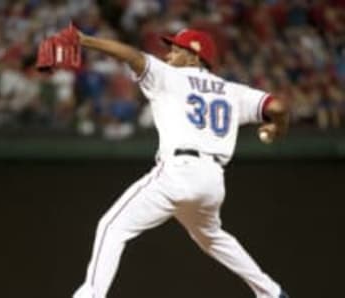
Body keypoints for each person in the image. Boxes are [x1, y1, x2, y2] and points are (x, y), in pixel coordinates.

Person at [72, 28, 290, 298]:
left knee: (112, 226)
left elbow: (131, 55)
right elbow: (278, 107)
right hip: (212, 181)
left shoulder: (169, 76)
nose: (169, 54)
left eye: (176, 49)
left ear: (194, 56)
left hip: (178, 171)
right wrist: (277, 129)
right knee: (211, 236)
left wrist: (85, 41)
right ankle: (271, 293)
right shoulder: (232, 91)